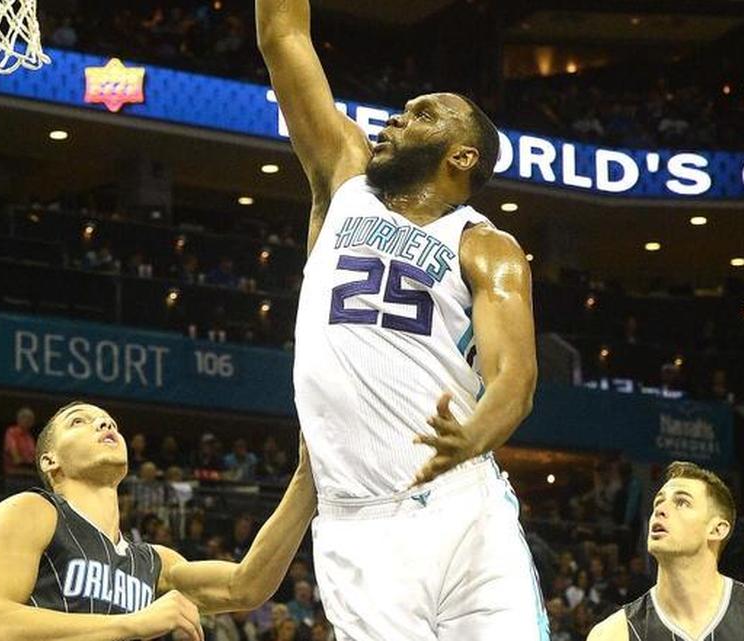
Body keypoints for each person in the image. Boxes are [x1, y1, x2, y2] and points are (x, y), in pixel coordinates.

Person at [257, 0, 543, 638]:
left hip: (463, 504)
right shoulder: (344, 179)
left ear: (462, 156)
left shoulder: (486, 247)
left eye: (421, 114)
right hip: (358, 522)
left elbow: (514, 379)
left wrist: (474, 438)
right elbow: (282, 34)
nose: (394, 118)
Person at [0, 401, 316, 641]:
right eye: (78, 422)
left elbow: (245, 587)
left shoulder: (153, 561)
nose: (104, 423)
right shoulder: (31, 511)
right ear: (49, 460)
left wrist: (307, 480)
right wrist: (133, 624)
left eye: (108, 421)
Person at [587, 462, 744, 641]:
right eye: (659, 502)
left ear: (717, 529)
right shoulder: (612, 635)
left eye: (682, 502)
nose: (661, 510)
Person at [2, 407, 38, 476]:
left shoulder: (29, 437)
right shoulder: (12, 432)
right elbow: (16, 458)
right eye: (27, 418)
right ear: (19, 419)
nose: (29, 421)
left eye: (31, 419)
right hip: (14, 474)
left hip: (29, 474)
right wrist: (29, 460)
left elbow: (34, 457)